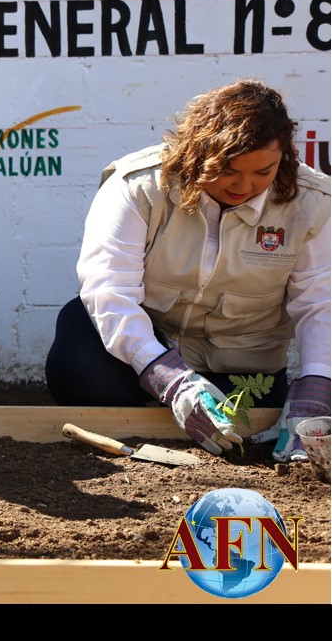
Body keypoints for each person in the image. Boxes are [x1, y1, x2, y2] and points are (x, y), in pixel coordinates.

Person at [45, 80, 330, 460]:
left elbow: (320, 302)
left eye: (264, 172)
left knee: (248, 425)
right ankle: (151, 404)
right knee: (78, 365)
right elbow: (109, 291)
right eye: (228, 169)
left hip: (242, 366)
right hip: (144, 352)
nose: (245, 185)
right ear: (199, 150)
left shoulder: (312, 204)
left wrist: (317, 387)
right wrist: (170, 378)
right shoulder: (138, 187)